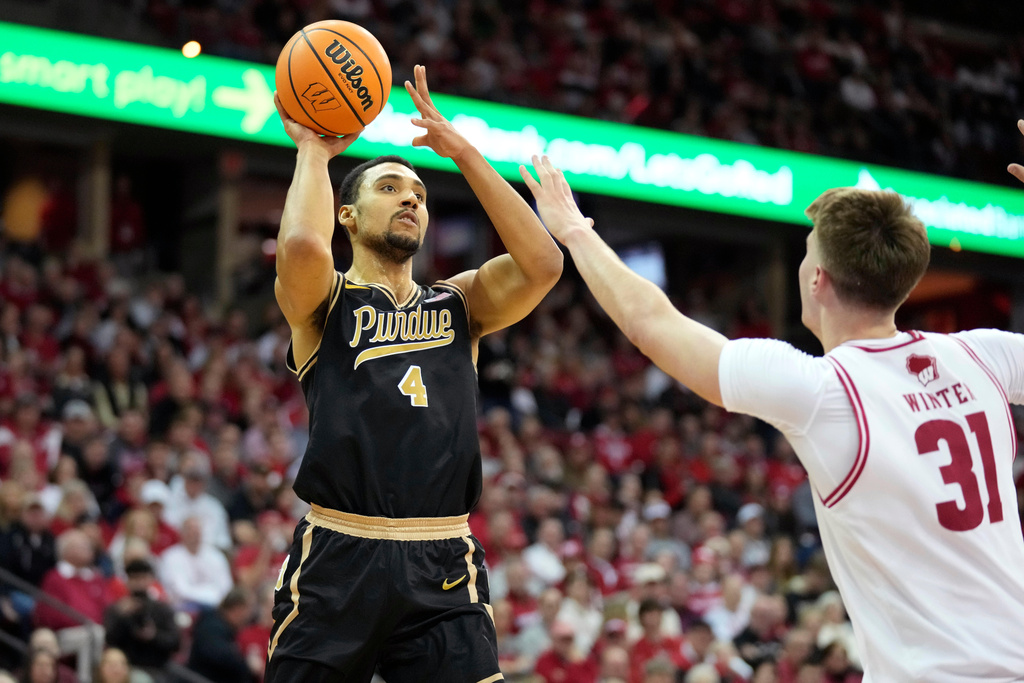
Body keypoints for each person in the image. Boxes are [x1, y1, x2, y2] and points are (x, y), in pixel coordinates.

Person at [521, 153, 1024, 680]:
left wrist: (575, 230)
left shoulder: (822, 391)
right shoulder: (982, 356)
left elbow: (652, 324)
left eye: (806, 253)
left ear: (817, 280)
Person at [264, 64, 562, 683]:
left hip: (443, 557)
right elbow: (300, 248)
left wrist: (462, 153)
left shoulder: (459, 304)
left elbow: (542, 264)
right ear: (347, 215)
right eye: (392, 188)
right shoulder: (327, 302)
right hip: (339, 557)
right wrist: (314, 151)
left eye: (421, 195)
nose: (412, 199)